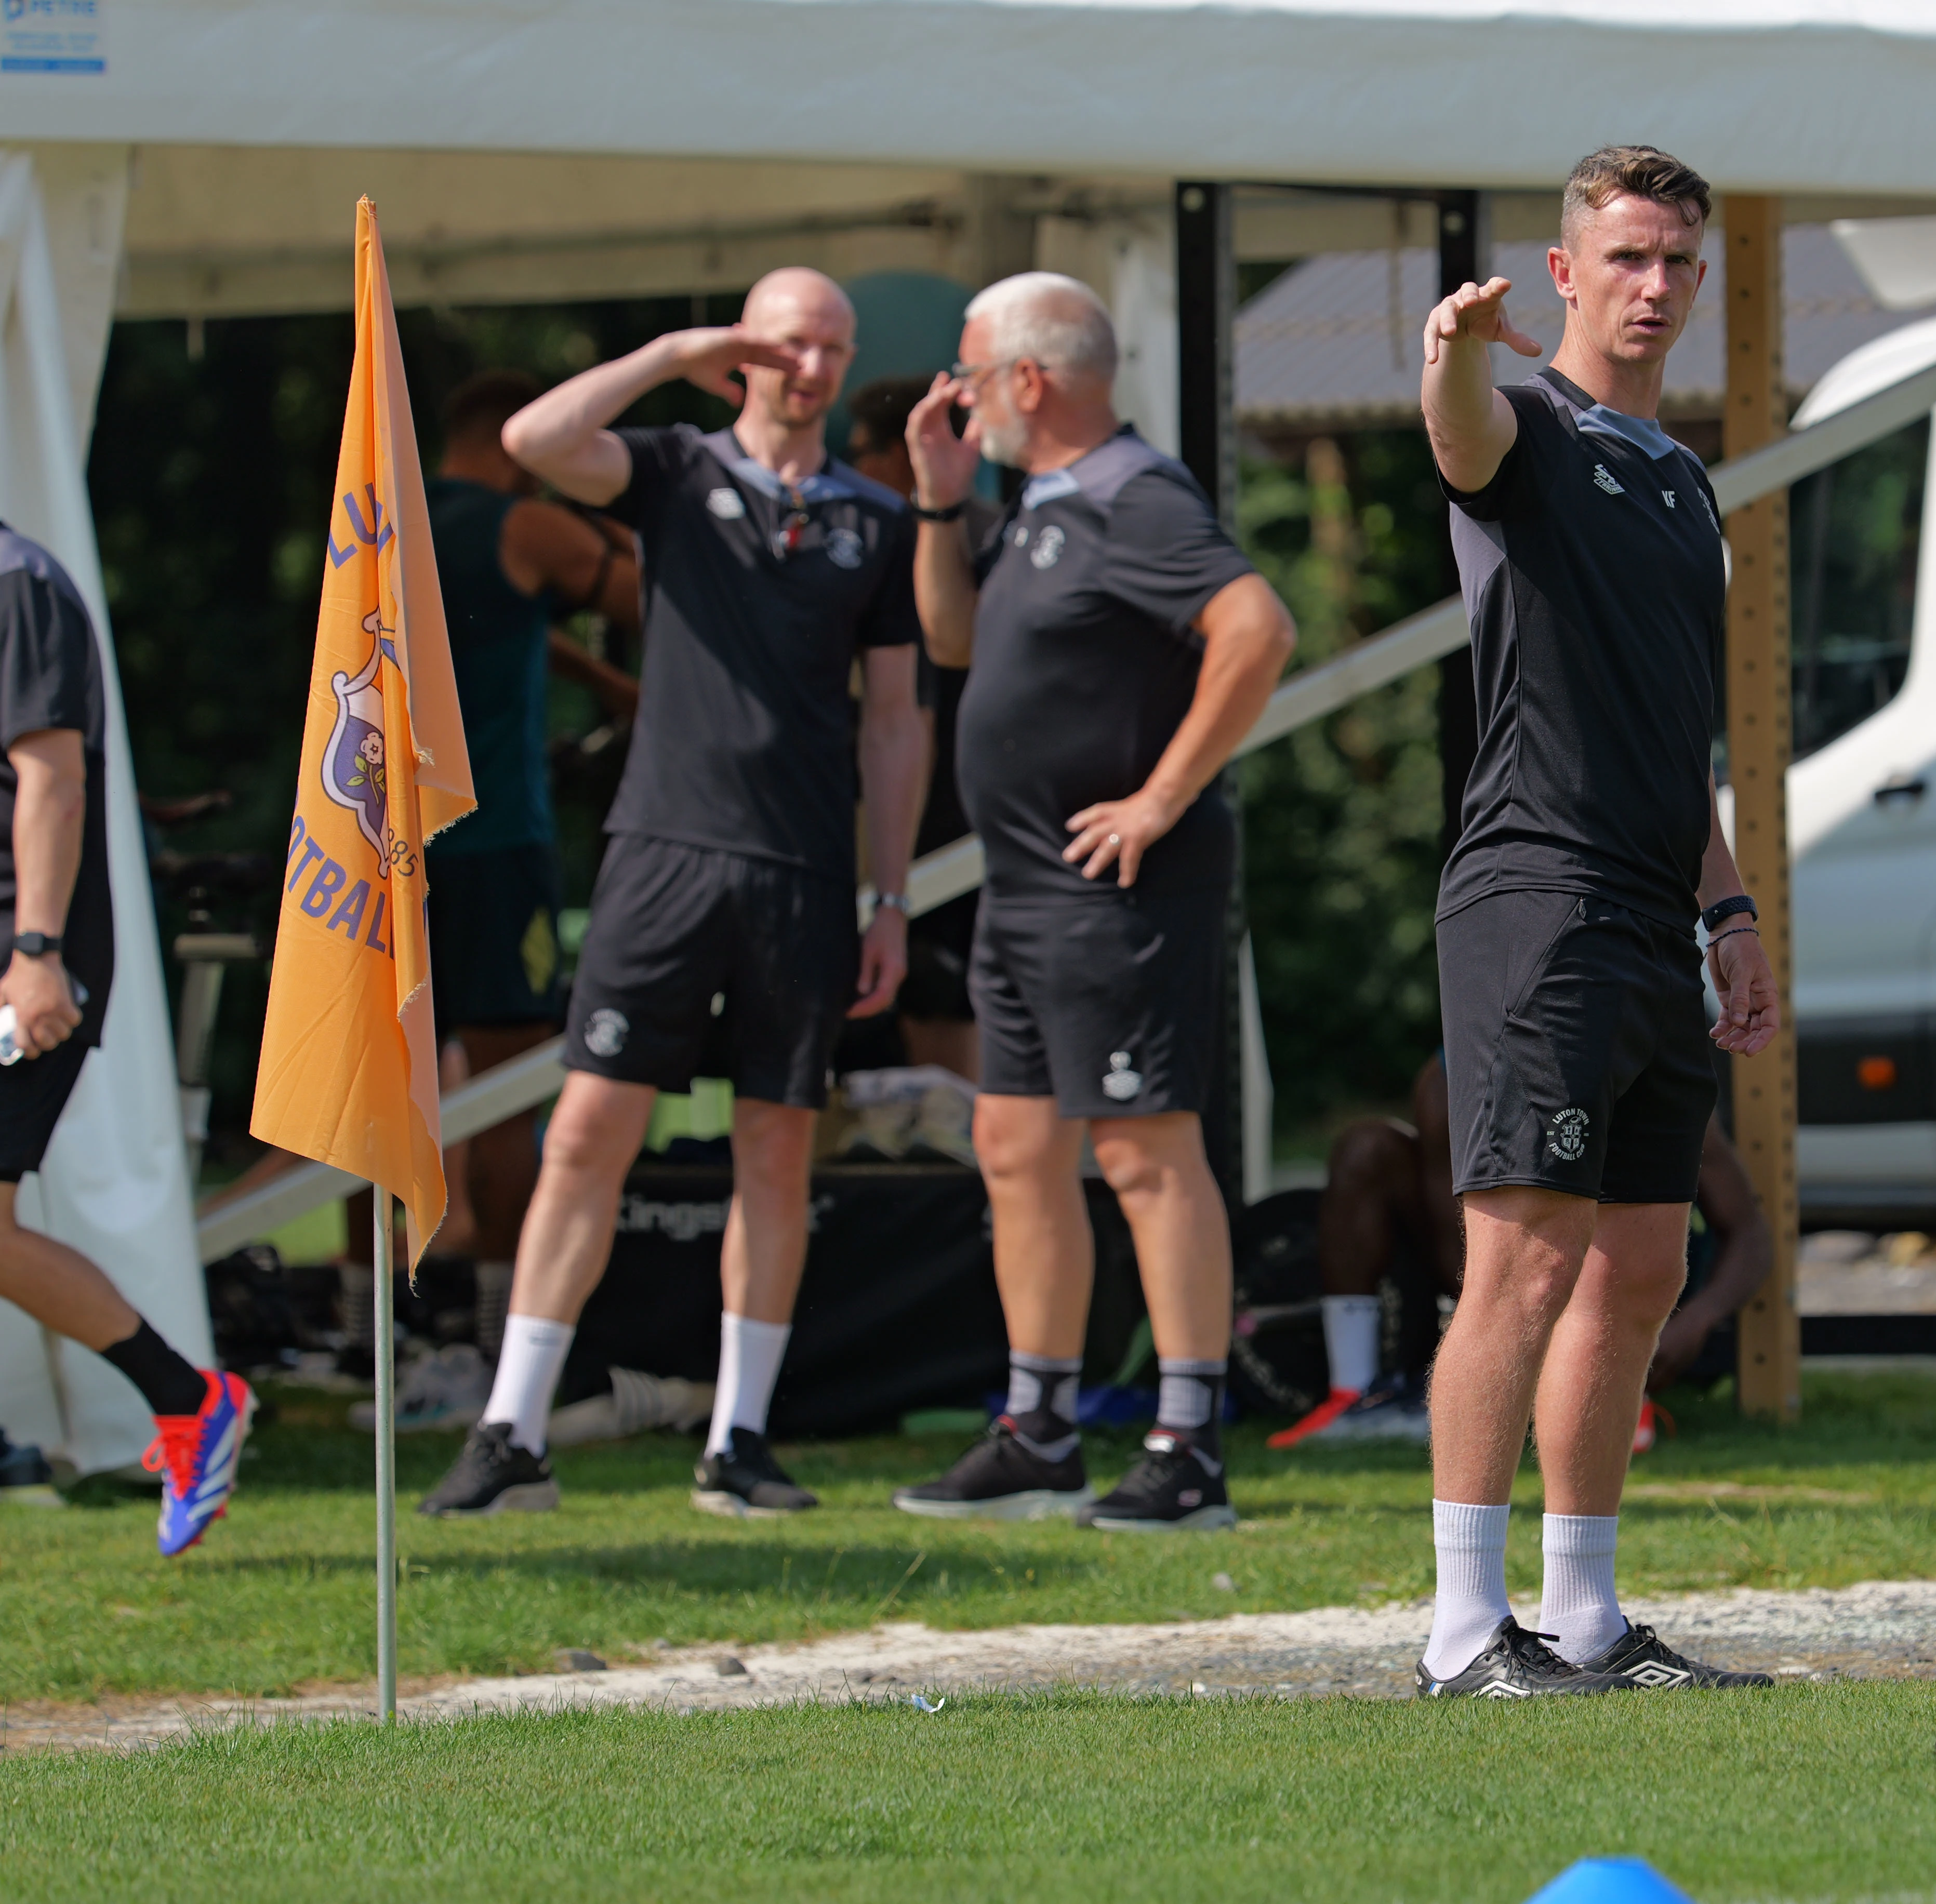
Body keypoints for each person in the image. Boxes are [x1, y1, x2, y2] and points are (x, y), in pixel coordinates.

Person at [418, 267, 926, 1520]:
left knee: (776, 1144)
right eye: (791, 342)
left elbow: (897, 724)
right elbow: (539, 440)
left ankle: (739, 1439)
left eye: (832, 348)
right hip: (661, 851)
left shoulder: (877, 520)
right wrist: (670, 348)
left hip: (804, 872)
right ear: (747, 348)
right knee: (588, 1130)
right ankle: (509, 1431)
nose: (813, 367)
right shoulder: (676, 468)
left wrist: (893, 897)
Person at [1410, 145, 1781, 1698]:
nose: (1653, 286)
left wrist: (1730, 904)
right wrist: (1446, 356)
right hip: (1534, 896)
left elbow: (1675, 729)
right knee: (1521, 1265)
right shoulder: (1525, 427)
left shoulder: (1682, 474)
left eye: (1677, 263)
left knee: (1637, 1264)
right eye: (1625, 257)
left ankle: (1583, 1617)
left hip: (1651, 906)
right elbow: (1458, 437)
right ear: (1564, 272)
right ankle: (1456, 1630)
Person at [885, 273, 1294, 1530]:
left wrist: (1161, 798)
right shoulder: (1032, 503)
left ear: (1031, 379)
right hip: (1021, 895)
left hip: (1117, 890)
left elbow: (1257, 628)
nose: (950, 392)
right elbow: (951, 647)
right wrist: (939, 504)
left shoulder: (1137, 493)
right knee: (1013, 1148)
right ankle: (1040, 1428)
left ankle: (1189, 1441)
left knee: (1141, 1149)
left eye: (967, 368)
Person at [340, 370, 642, 1386]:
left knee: (379, 1082)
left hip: (380, 839)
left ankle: (362, 1314)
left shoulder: (393, 524)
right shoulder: (535, 529)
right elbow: (666, 578)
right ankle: (502, 1314)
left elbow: (486, 627)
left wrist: (595, 680)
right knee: (511, 1083)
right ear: (522, 444)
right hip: (496, 839)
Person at [0, 521, 250, 1553]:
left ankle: (190, 1399)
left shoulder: (19, 584)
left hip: (22, 952)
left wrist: (37, 949)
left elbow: (53, 778)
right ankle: (189, 1399)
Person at [1269, 1054, 1771, 1451]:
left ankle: (1598, 1381)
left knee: (1590, 1210)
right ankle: (1356, 1393)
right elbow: (1464, 1255)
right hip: (1497, 1293)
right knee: (1366, 1147)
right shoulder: (1451, 1080)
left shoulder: (1646, 1074)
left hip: (1614, 1300)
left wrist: (1698, 1318)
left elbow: (1751, 1235)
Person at [845, 376, 998, 1084]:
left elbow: (915, 713)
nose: (851, 474)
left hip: (939, 835)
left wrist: (888, 874)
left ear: (905, 454)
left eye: (861, 454)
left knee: (945, 1032)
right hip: (986, 820)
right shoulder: (1005, 532)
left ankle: (959, 1186)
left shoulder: (908, 545)